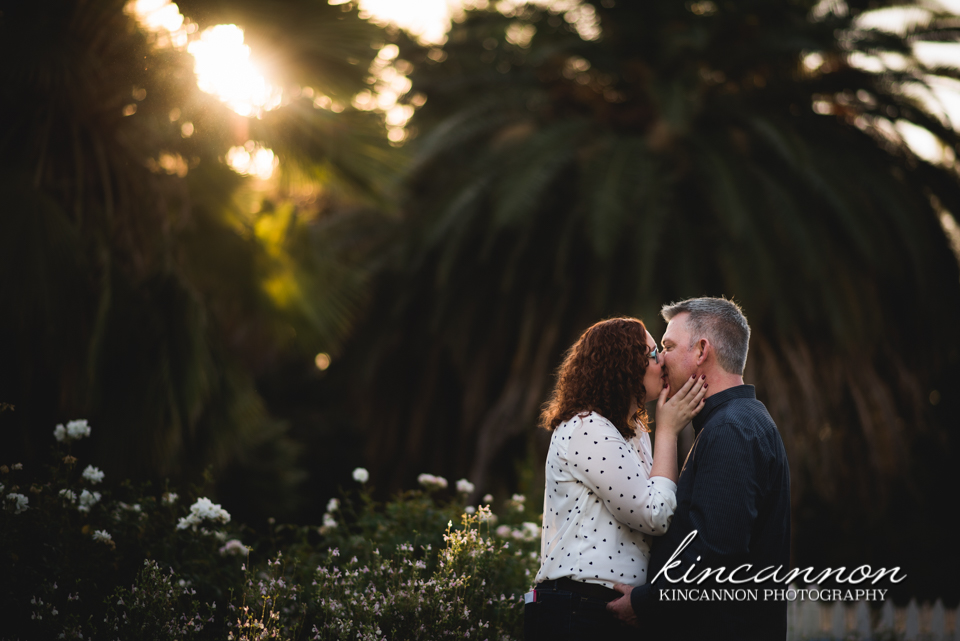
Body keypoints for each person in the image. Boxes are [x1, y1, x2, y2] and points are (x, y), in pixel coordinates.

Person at [606, 297, 791, 640]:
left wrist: (646, 604)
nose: (660, 359)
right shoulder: (739, 422)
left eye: (669, 346)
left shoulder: (730, 429)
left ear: (702, 350)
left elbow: (715, 549)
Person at [525, 317, 708, 641]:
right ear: (623, 366)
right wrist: (667, 431)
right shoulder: (586, 427)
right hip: (577, 608)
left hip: (606, 609)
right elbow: (654, 514)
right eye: (653, 354)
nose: (662, 360)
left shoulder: (633, 432)